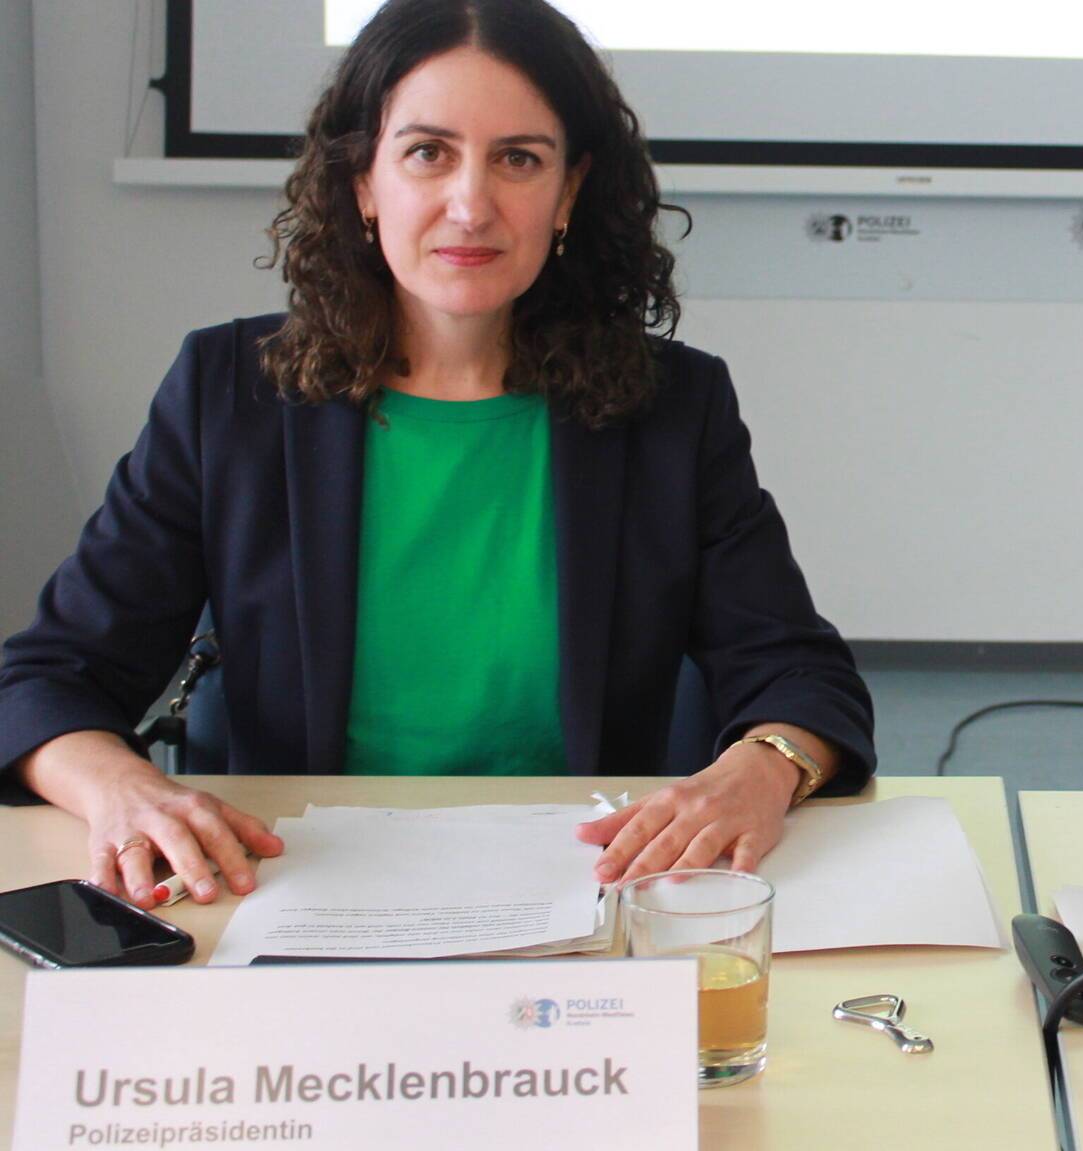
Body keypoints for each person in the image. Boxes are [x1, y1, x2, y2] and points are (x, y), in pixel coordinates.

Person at [0, 0, 874, 908]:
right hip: (297, 892)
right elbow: (48, 679)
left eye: (519, 159)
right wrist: (119, 785)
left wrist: (763, 766)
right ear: (363, 183)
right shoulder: (229, 393)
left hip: (588, 890)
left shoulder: (671, 408)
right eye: (428, 152)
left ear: (569, 191)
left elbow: (802, 675)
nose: (472, 204)